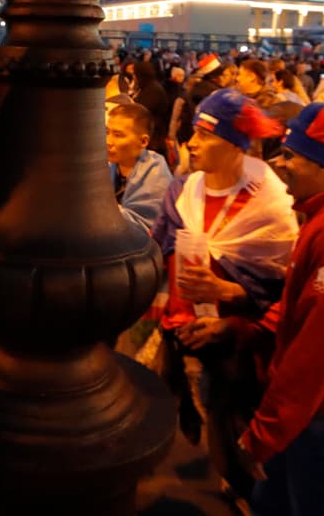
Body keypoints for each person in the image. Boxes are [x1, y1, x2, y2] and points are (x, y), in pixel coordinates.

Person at [222, 105, 324, 516]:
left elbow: (315, 353)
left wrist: (263, 435)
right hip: (309, 419)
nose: (283, 165)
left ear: (322, 164)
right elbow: (301, 308)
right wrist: (248, 329)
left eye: (293, 156)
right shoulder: (322, 219)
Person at [150, 89, 297, 510]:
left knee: (237, 424)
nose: (191, 142)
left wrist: (230, 291)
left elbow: (287, 286)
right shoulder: (181, 190)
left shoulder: (270, 203)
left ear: (237, 144)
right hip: (183, 330)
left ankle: (256, 493)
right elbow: (155, 251)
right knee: (212, 415)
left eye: (203, 133)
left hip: (240, 341)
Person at [106, 102, 172, 233]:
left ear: (143, 141)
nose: (108, 141)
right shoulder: (108, 165)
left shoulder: (156, 175)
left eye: (118, 135)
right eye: (107, 132)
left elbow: (147, 227)